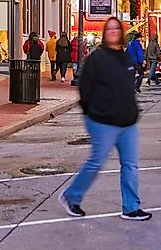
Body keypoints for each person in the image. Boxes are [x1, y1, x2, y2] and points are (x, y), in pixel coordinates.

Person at [59, 17, 150, 221]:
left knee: (131, 164)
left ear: (122, 31)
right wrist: (91, 112)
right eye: (108, 28)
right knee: (96, 162)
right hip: (103, 122)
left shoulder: (125, 58)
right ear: (104, 33)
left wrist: (133, 111)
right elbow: (85, 88)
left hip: (128, 122)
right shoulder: (96, 58)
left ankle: (131, 207)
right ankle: (71, 196)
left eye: (116, 28)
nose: (112, 31)